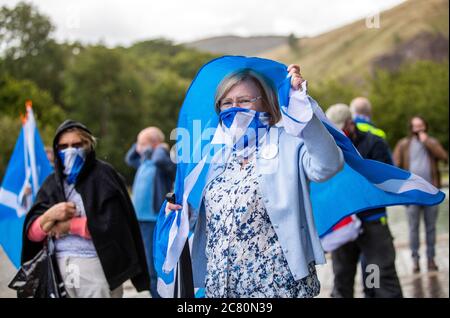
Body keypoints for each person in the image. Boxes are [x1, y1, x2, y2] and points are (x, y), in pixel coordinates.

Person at [165, 65, 344, 298]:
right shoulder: (213, 155)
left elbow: (328, 165)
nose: (234, 109)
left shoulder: (289, 143)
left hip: (278, 287)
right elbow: (197, 213)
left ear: (266, 104)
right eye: (227, 103)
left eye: (244, 100)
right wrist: (181, 210)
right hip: (222, 288)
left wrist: (300, 102)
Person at [22, 120, 150, 298]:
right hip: (57, 270)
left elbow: (116, 229)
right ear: (56, 149)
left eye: (76, 145)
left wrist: (69, 226)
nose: (70, 150)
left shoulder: (104, 176)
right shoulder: (52, 183)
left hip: (97, 267)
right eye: (63, 146)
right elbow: (32, 235)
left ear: (88, 145)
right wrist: (49, 216)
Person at [326, 103, 402, 298]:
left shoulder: (374, 143)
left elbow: (387, 179)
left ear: (351, 124)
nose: (337, 134)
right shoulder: (328, 146)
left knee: (376, 274)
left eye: (340, 129)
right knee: (342, 276)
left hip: (372, 222)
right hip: (344, 223)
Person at [393, 116, 448, 273]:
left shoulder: (431, 142)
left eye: (421, 126)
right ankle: (415, 260)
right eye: (415, 127)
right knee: (413, 228)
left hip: (431, 192)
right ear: (411, 128)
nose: (418, 129)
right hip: (412, 194)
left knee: (431, 228)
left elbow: (443, 157)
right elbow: (395, 165)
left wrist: (427, 142)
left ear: (425, 127)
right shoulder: (404, 144)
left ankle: (431, 259)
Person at [125, 126, 176, 298]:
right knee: (144, 262)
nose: (139, 148)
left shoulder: (162, 163)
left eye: (143, 144)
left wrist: (160, 147)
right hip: (139, 220)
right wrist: (140, 144)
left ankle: (159, 295)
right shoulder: (144, 162)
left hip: (153, 220)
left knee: (153, 264)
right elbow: (129, 158)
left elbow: (161, 161)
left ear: (154, 145)